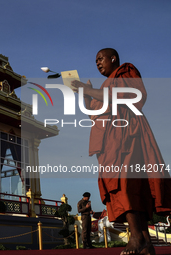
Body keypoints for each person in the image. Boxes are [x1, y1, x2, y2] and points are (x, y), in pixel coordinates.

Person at [72, 48, 171, 255]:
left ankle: (136, 237)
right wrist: (84, 94)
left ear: (113, 58)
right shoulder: (104, 86)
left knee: (127, 182)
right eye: (96, 60)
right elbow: (93, 112)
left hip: (126, 133)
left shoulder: (125, 71)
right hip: (108, 139)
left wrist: (88, 90)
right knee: (117, 185)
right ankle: (144, 240)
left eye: (101, 59)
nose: (98, 63)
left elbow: (125, 96)